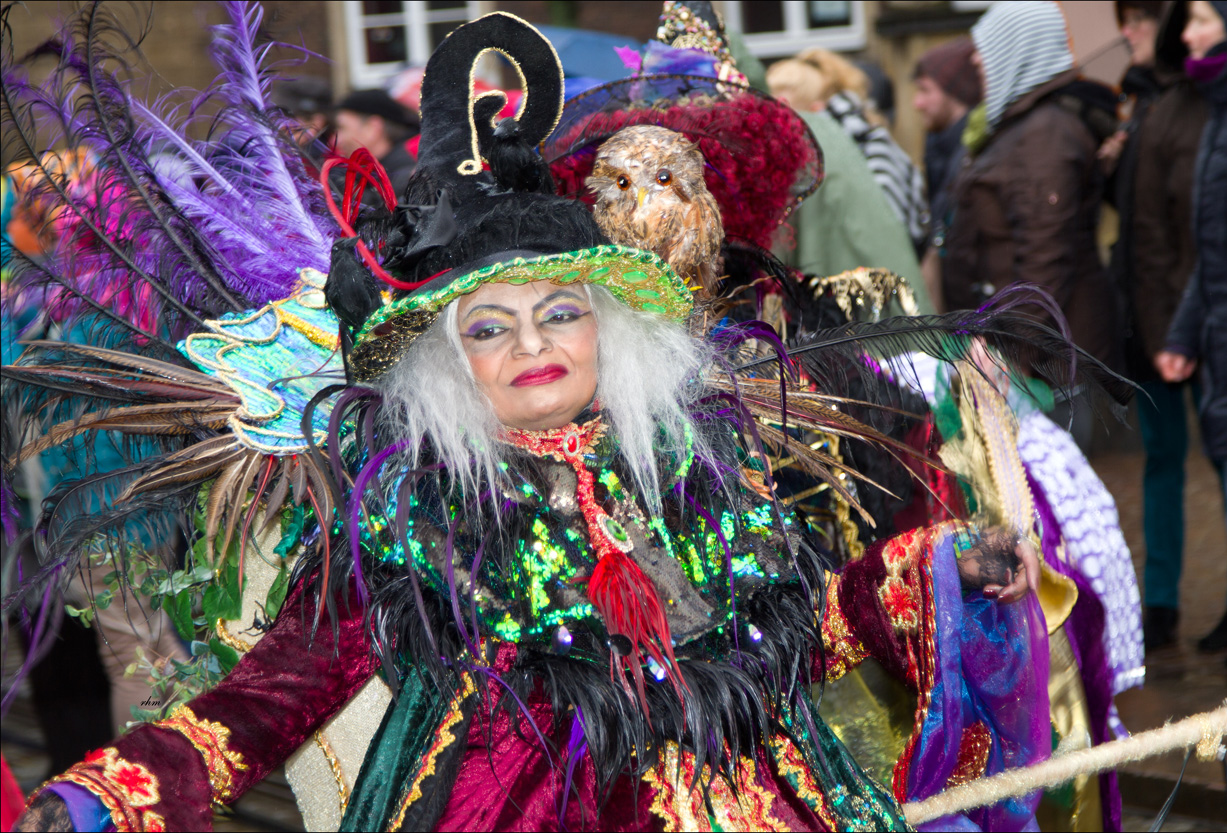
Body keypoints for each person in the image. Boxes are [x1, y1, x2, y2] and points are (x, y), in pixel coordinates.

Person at [5, 8, 1079, 831]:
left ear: (612, 329)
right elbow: (269, 697)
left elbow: (796, 639)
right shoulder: (408, 515)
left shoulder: (695, 466)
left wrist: (926, 575)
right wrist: (106, 793)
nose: (532, 346)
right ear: (439, 364)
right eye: (488, 327)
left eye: (560, 312)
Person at [1100, 1, 1208, 652]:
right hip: (1145, 316)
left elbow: (1186, 228)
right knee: (1162, 460)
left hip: (1185, 319)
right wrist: (1114, 163)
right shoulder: (1140, 105)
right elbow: (1138, 215)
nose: (1127, 32)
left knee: (1226, 460)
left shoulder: (1192, 103)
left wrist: (1184, 328)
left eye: (1139, 18)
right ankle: (1161, 601)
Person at [942, 2, 1122, 374]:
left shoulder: (1046, 135)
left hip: (1051, 363)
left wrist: (1016, 357)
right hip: (1029, 349)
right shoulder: (1021, 124)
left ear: (1021, 48)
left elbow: (1045, 258)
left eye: (988, 48)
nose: (976, 61)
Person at [1154, 0, 1227, 669]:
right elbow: (1214, 252)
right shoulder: (1222, 112)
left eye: (1200, 19)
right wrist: (1185, 333)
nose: (1187, 35)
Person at [763, 57, 932, 313]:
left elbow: (894, 230)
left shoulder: (850, 147)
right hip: (868, 301)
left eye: (782, 106)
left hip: (874, 302)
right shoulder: (836, 143)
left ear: (815, 108)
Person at [912, 38, 980, 256]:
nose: (917, 103)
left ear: (956, 91)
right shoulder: (941, 148)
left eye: (926, 90)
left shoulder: (971, 155)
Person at [332, 87, 421, 187]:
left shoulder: (407, 178)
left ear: (372, 128)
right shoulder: (373, 175)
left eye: (342, 128)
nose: (336, 140)